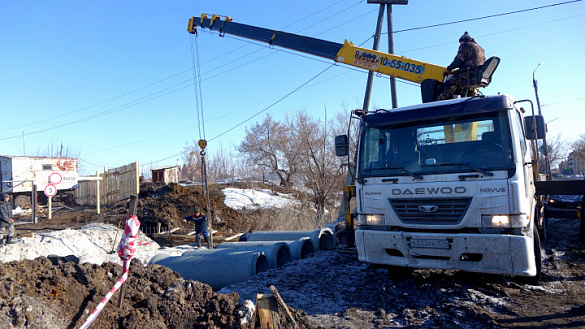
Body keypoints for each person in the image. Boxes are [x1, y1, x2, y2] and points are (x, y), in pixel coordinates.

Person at [438, 31, 486, 100]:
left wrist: (449, 68)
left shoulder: (466, 45)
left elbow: (459, 61)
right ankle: (469, 95)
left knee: (449, 83)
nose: (460, 45)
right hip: (477, 74)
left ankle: (441, 100)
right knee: (459, 86)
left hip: (468, 73)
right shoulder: (481, 49)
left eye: (460, 43)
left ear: (464, 41)